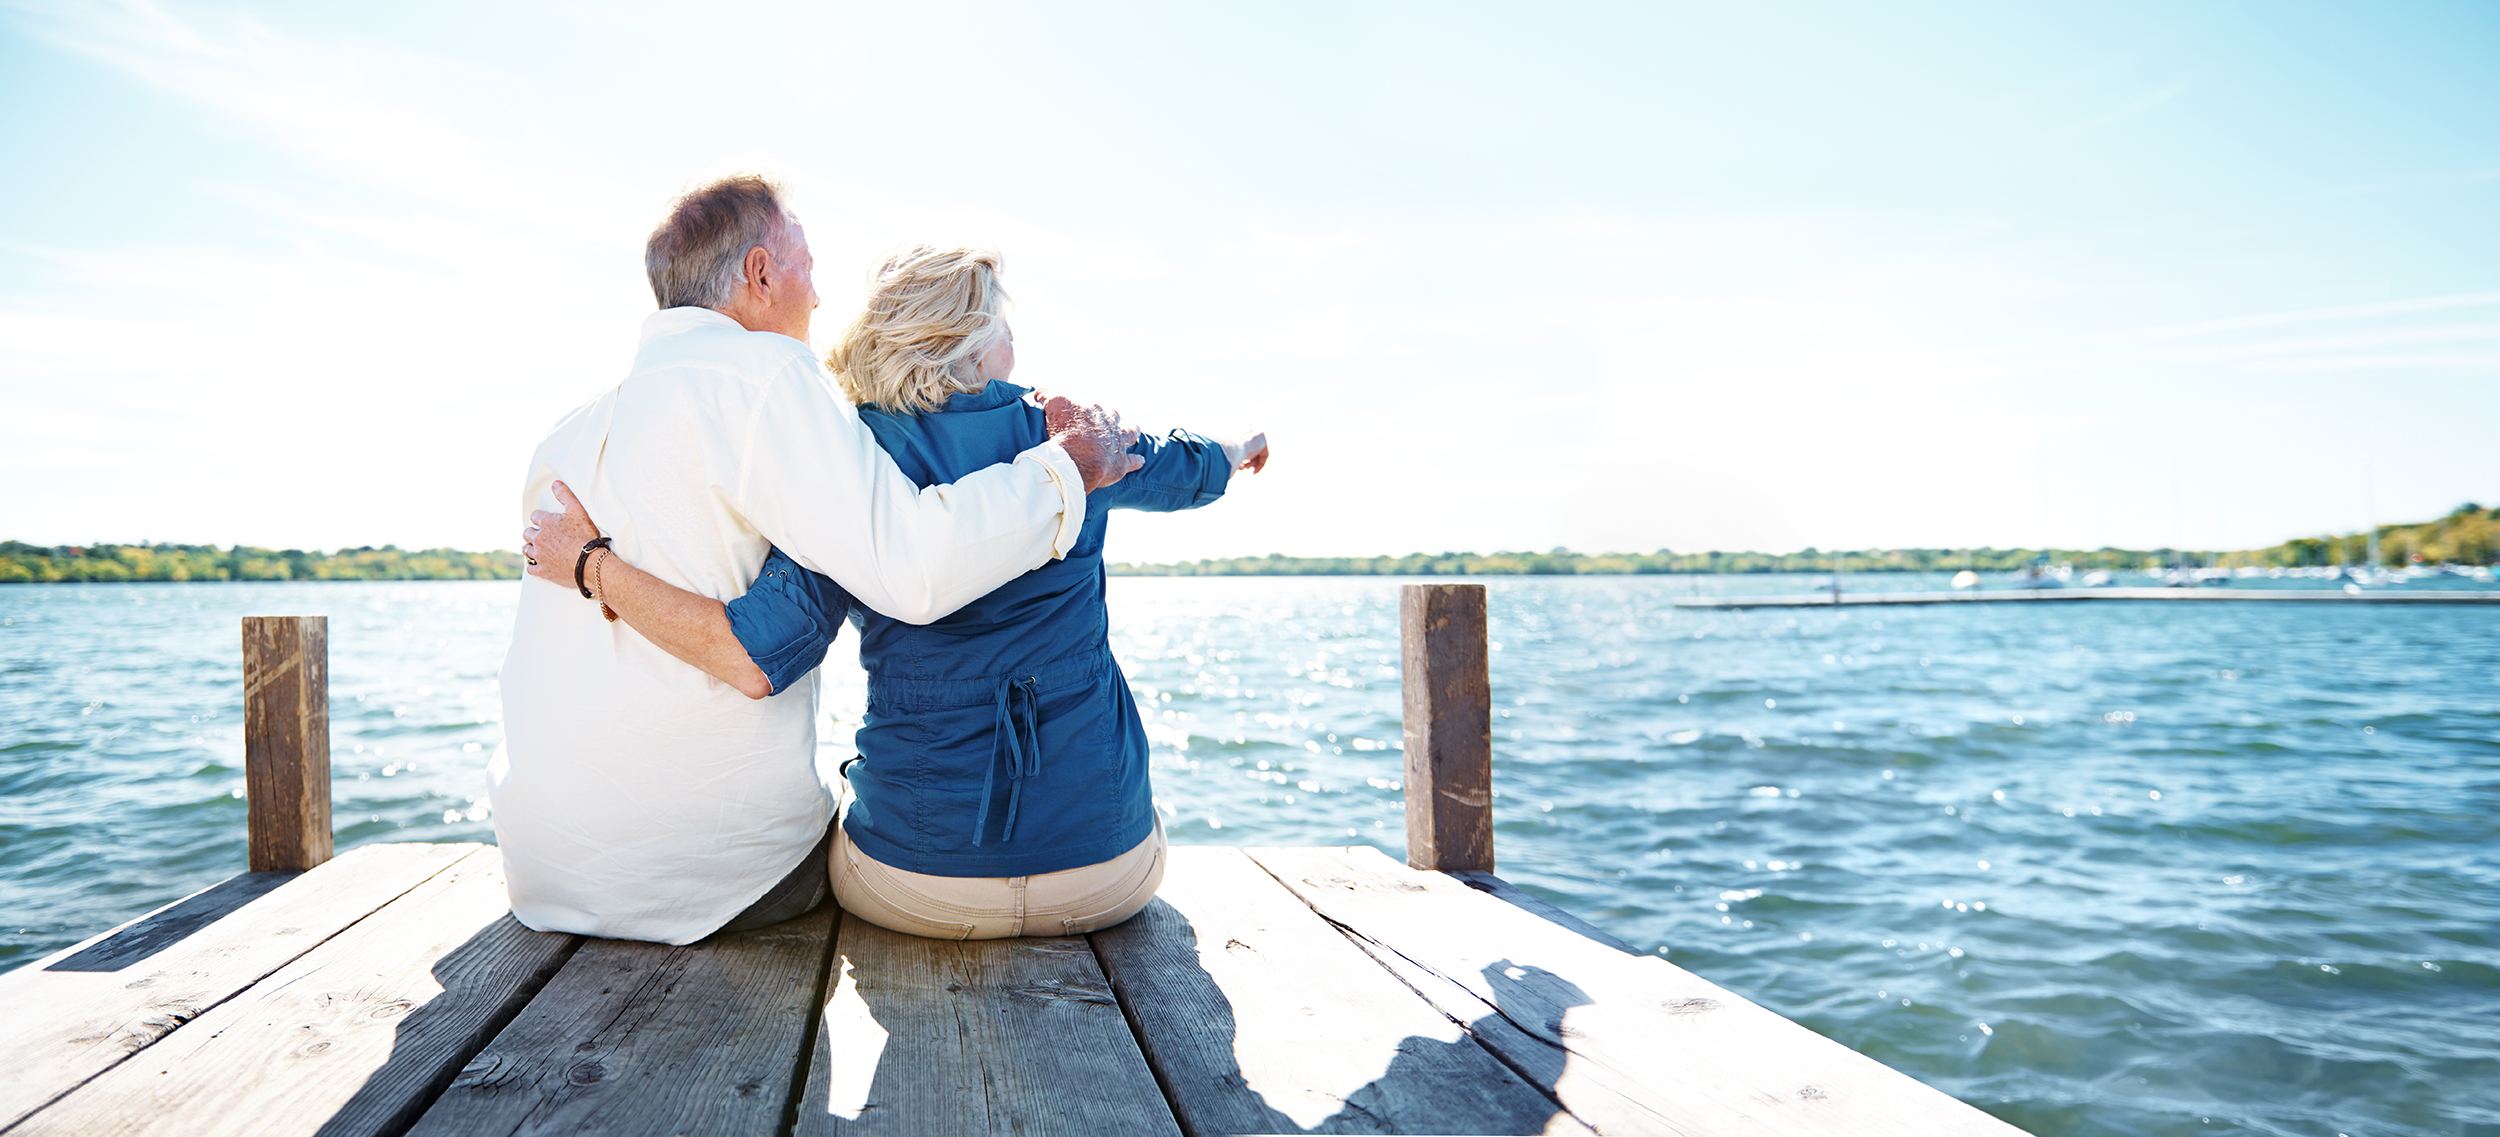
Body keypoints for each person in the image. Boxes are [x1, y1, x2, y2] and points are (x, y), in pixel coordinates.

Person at [524, 244, 1269, 939]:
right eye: (1005, 324)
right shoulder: (1077, 441)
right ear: (977, 340)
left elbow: (766, 643)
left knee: (849, 814)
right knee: (1132, 817)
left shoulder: (852, 461)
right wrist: (1239, 452)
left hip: (921, 886)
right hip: (1106, 873)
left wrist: (594, 565)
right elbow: (1185, 470)